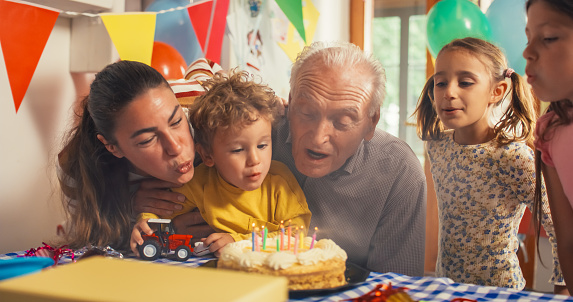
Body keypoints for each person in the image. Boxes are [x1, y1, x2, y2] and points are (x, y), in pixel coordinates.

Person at [134, 41, 427, 276]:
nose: (317, 136)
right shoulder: (255, 131)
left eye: (342, 121)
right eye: (307, 112)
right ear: (289, 100)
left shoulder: (398, 172)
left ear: (371, 122)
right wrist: (147, 205)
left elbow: (396, 284)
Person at [414, 37, 564, 291]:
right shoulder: (437, 146)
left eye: (465, 82)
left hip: (499, 292)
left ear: (497, 91)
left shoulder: (512, 157)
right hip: (447, 288)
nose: (449, 92)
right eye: (441, 83)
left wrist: (564, 288)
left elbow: (561, 228)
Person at [130, 70, 311, 256]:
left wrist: (238, 242)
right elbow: (161, 212)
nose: (255, 160)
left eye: (262, 145)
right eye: (238, 150)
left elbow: (295, 236)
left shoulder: (279, 182)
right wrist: (146, 224)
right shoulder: (199, 183)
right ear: (208, 156)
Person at [57, 60, 196, 250]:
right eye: (148, 139)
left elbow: (207, 66)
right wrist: (127, 209)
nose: (176, 147)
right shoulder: (74, 168)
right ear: (112, 147)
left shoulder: (210, 117)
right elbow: (94, 241)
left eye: (177, 121)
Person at [526, 0, 573, 295]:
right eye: (527, 37)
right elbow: (568, 241)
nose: (527, 52)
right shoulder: (550, 132)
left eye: (549, 38)